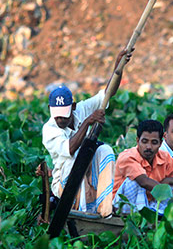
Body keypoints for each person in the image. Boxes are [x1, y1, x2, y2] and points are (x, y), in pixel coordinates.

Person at [41, 50, 130, 217]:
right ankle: (81, 213)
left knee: (105, 151)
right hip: (65, 186)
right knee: (76, 158)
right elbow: (69, 150)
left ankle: (105, 210)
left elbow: (107, 93)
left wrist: (119, 67)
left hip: (87, 177)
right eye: (57, 114)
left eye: (64, 114)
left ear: (73, 107)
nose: (60, 119)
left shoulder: (80, 109)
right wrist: (89, 121)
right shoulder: (49, 129)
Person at [113, 119, 173, 214]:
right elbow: (144, 182)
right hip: (123, 206)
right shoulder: (127, 157)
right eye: (145, 141)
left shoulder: (164, 156)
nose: (149, 147)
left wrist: (168, 181)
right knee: (133, 182)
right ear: (138, 141)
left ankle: (158, 216)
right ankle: (137, 216)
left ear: (160, 143)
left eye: (154, 142)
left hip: (150, 203)